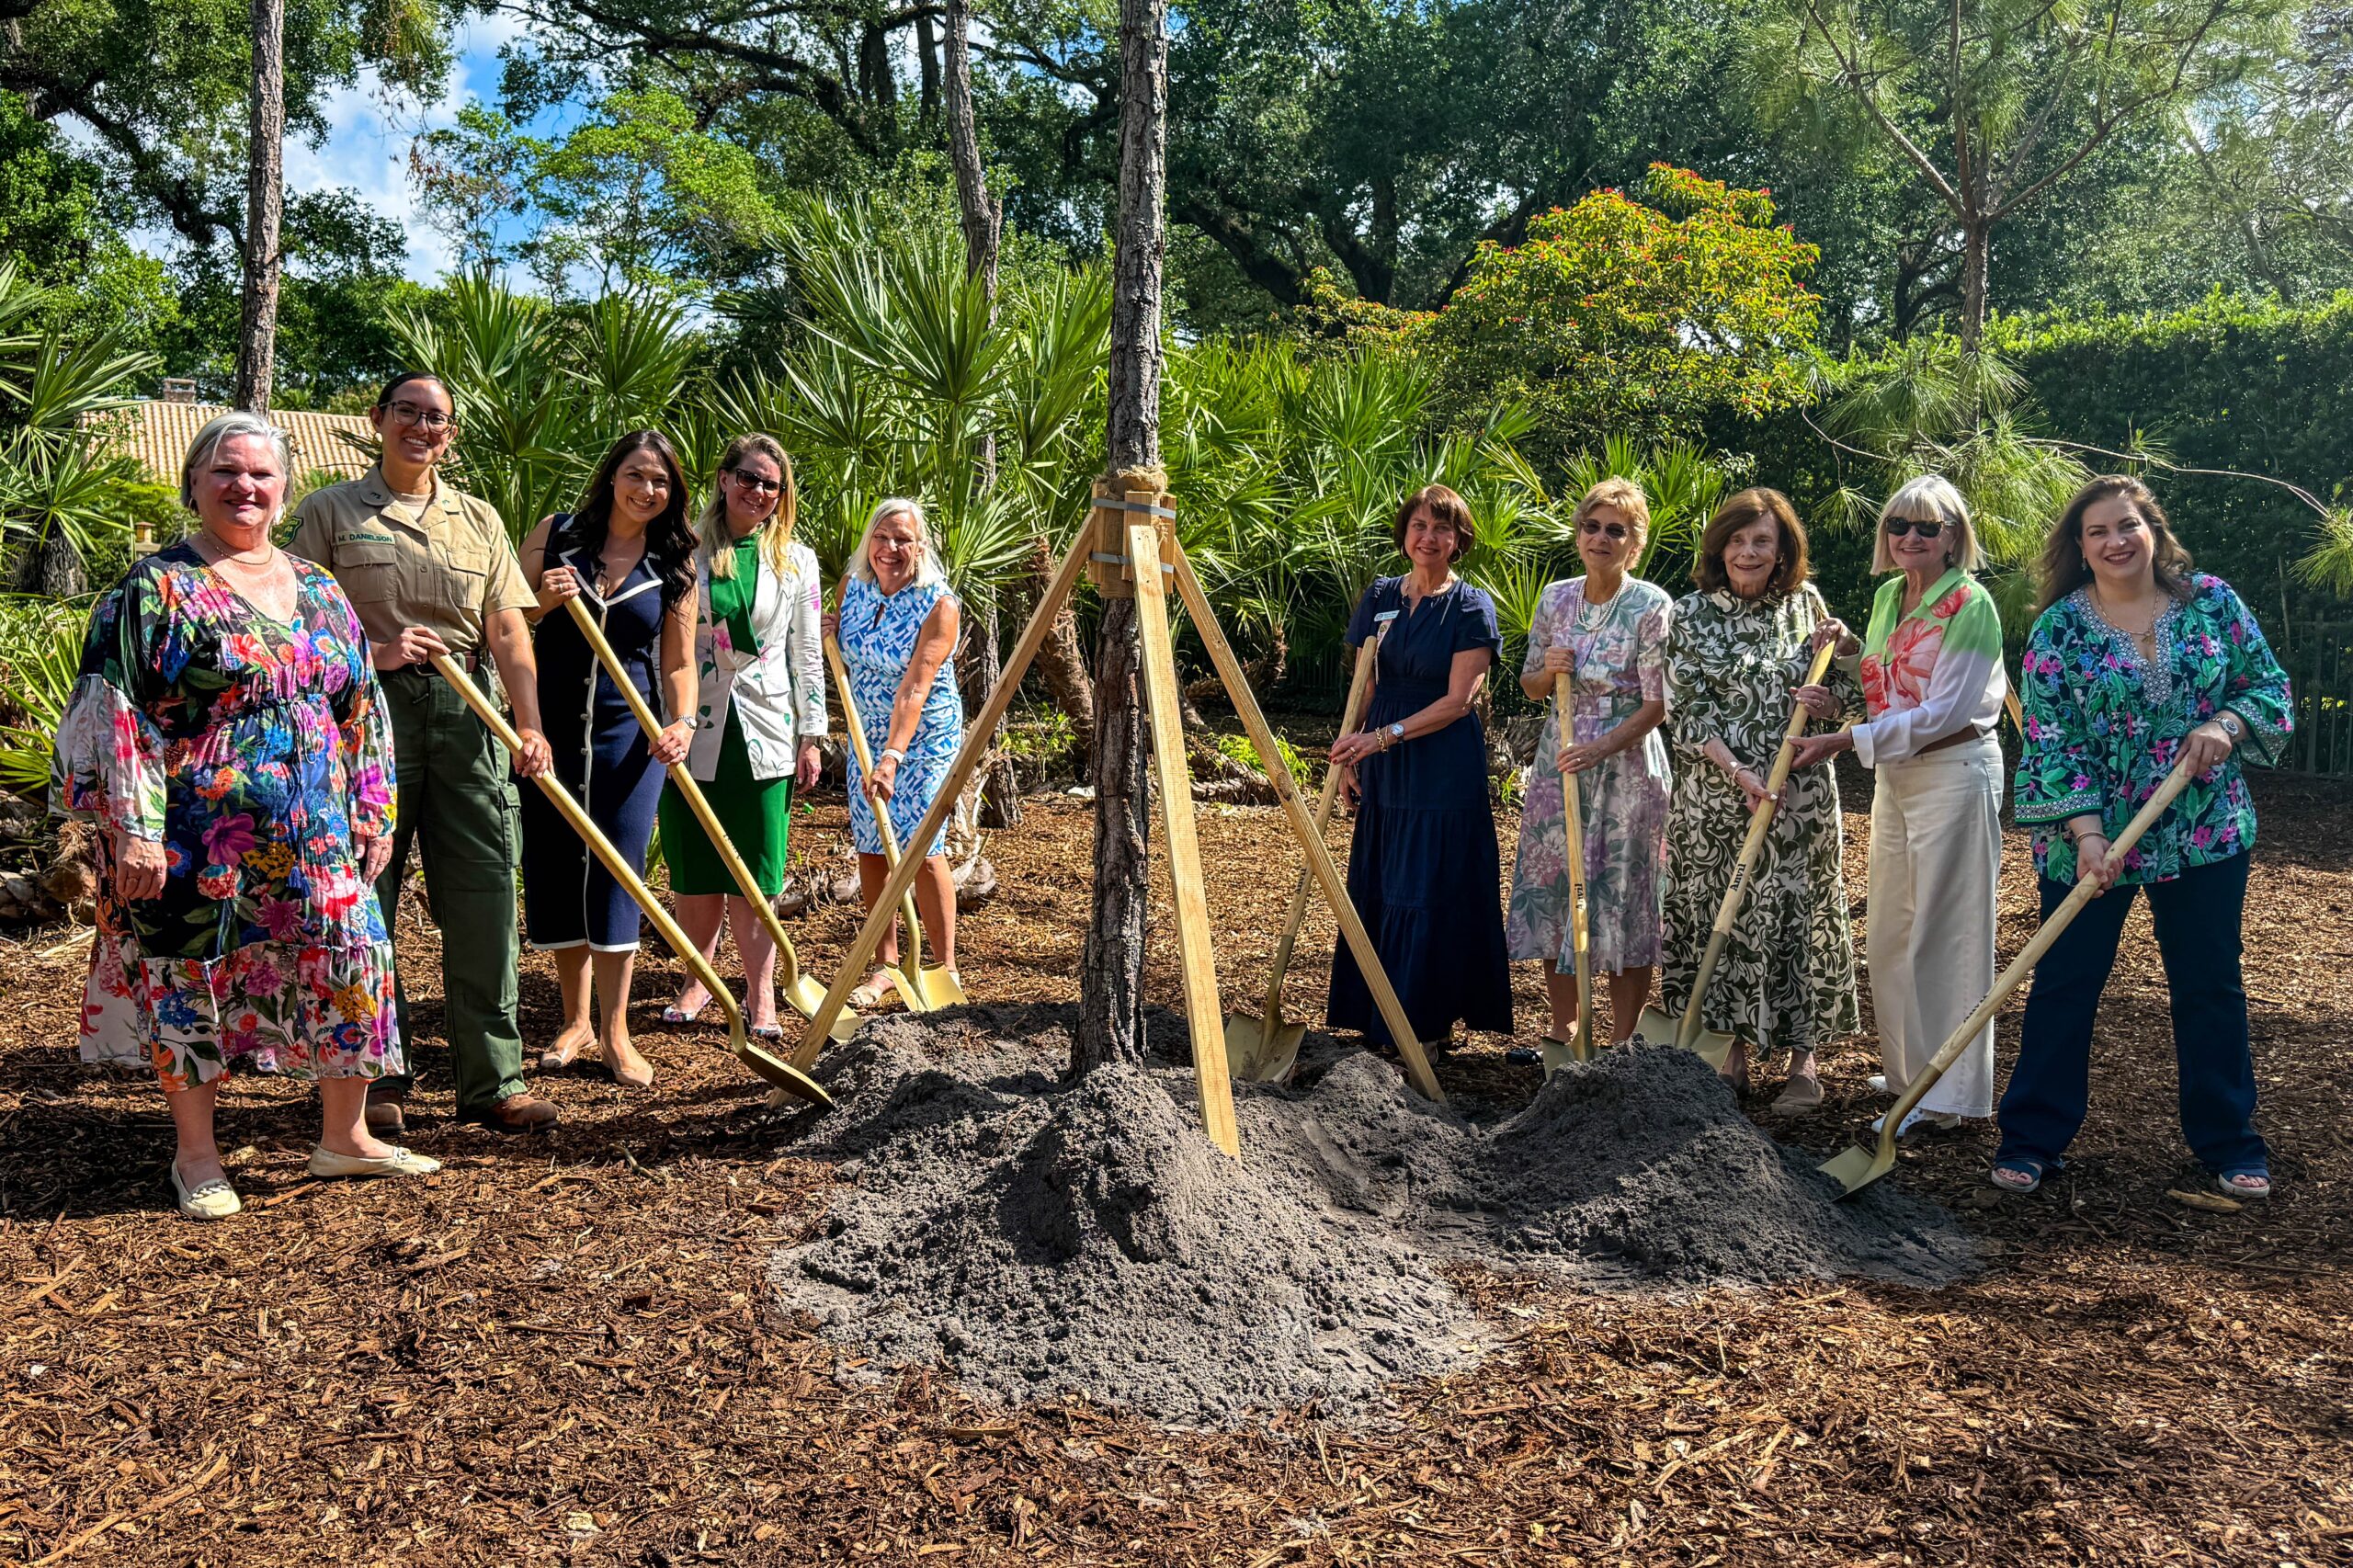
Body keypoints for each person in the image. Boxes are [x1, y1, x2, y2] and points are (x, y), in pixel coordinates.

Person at [55, 414, 437, 1220]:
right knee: (188, 982)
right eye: (226, 471)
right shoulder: (152, 589)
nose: (244, 488)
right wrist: (137, 831)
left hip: (319, 836)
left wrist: (373, 810)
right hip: (196, 842)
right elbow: (114, 714)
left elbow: (359, 704)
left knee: (355, 960)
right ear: (193, 482)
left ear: (284, 487)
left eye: (262, 474)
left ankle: (347, 1137)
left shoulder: (320, 586)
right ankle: (196, 1156)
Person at [1991, 476, 2292, 1201]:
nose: (2115, 541)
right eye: (2097, 532)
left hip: (2202, 829)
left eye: (2127, 525)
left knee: (2209, 984)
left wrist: (2223, 726)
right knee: (2066, 983)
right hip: (2088, 837)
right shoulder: (2060, 628)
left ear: (2152, 529)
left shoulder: (2212, 601)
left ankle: (2229, 1142)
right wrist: (2089, 834)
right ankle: (2032, 1139)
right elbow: (2053, 739)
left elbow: (2269, 689)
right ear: (2079, 547)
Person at [290, 372, 560, 1136]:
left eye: (436, 418)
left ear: (450, 433)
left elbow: (509, 630)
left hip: (470, 716)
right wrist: (372, 652)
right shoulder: (330, 513)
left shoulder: (477, 518)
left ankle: (493, 1082)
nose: (421, 426)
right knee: (366, 900)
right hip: (368, 721)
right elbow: (296, 621)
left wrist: (529, 725)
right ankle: (373, 1079)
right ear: (377, 419)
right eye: (406, 412)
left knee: (483, 898)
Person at [1790, 477, 2006, 1130]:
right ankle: (1911, 1075)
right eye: (1898, 526)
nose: (1910, 536)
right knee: (1891, 930)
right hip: (1898, 777)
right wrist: (1851, 653)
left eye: (1927, 527)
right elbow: (1891, 678)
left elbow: (1946, 710)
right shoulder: (1890, 594)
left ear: (1952, 538)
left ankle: (1953, 1095)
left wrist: (1846, 738)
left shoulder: (1971, 603)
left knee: (1949, 935)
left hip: (1954, 771)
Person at [1660, 487, 1860, 1107]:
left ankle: (1805, 1063)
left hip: (1797, 798)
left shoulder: (1808, 607)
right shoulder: (1688, 615)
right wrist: (1741, 775)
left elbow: (1848, 702)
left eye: (1762, 541)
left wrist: (1828, 699)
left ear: (1782, 551)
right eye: (1738, 539)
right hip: (1716, 800)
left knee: (1798, 915)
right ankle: (1731, 1054)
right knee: (1723, 916)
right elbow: (1684, 712)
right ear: (1719, 546)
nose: (1748, 552)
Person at [517, 431, 699, 1086]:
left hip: (631, 735)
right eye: (636, 474)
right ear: (611, 475)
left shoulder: (675, 560)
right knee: (558, 863)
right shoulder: (556, 534)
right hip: (550, 729)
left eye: (660, 481)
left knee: (619, 869)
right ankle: (575, 1021)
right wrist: (545, 598)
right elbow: (508, 622)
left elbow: (679, 662)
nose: (647, 490)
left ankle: (616, 1031)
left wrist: (681, 721)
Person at [1327, 483, 1514, 1051]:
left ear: (1459, 540)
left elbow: (1461, 700)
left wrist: (1383, 738)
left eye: (1442, 528)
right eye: (1419, 526)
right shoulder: (1381, 596)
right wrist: (1349, 747)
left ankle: (1424, 1027)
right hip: (1382, 757)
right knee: (1382, 882)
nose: (1428, 537)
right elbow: (1365, 681)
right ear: (1405, 534)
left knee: (1429, 886)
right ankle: (1378, 1019)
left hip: (1438, 761)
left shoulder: (1470, 607)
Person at [659, 436, 825, 1039]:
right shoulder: (686, 548)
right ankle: (698, 979)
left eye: (771, 485)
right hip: (690, 725)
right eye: (749, 478)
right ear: (724, 479)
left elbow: (806, 651)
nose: (759, 492)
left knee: (756, 871)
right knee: (696, 866)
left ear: (782, 497)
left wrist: (812, 734)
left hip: (763, 729)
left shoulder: (796, 561)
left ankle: (761, 997)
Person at [1505, 477, 1673, 1052]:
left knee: (1623, 896)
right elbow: (1529, 687)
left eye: (1615, 530)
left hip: (1627, 771)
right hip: (1561, 766)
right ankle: (1565, 1029)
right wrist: (1549, 668)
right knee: (1557, 888)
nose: (1600, 538)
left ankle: (1624, 1044)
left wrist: (1602, 748)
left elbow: (1657, 704)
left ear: (1635, 543)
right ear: (1578, 534)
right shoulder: (1555, 598)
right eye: (1591, 526)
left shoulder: (1651, 605)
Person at [822, 497, 963, 1006]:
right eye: (882, 537)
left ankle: (941, 967)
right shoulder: (853, 587)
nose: (891, 548)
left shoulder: (938, 604)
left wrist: (892, 757)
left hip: (923, 738)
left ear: (920, 546)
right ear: (869, 542)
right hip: (865, 732)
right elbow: (844, 645)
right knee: (870, 844)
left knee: (923, 847)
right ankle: (885, 966)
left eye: (903, 539)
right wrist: (830, 635)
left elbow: (915, 688)